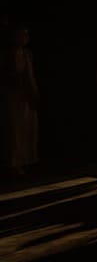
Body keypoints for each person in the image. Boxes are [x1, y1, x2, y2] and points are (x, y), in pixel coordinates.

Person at [1, 24, 39, 178]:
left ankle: (27, 160)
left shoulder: (27, 53)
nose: (24, 38)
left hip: (26, 95)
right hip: (13, 95)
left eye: (25, 35)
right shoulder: (6, 55)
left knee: (27, 127)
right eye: (21, 34)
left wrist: (34, 91)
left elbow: (30, 74)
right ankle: (15, 163)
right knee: (15, 129)